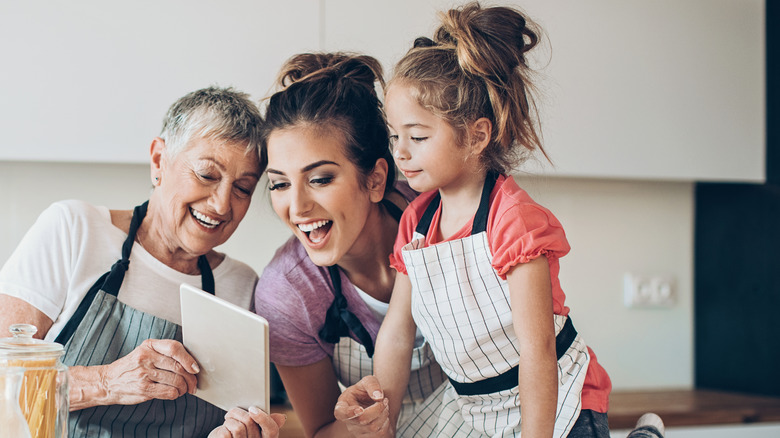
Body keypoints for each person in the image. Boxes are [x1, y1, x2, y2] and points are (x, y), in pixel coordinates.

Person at [335, 3, 615, 437]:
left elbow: (537, 350)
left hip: (557, 404)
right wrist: (381, 415)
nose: (401, 152)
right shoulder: (417, 223)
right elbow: (397, 332)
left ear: (477, 135)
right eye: (395, 136)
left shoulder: (513, 221)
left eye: (419, 136)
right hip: (475, 407)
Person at [0, 87, 285, 438]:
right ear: (158, 160)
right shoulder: (73, 230)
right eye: (207, 175)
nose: (222, 205)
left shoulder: (242, 287)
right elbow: (3, 388)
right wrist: (108, 382)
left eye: (242, 188)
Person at [253, 52, 448, 437]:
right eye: (279, 183)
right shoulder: (288, 295)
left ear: (375, 180)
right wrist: (361, 425)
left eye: (320, 178)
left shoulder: (445, 221)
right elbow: (323, 429)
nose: (296, 207)